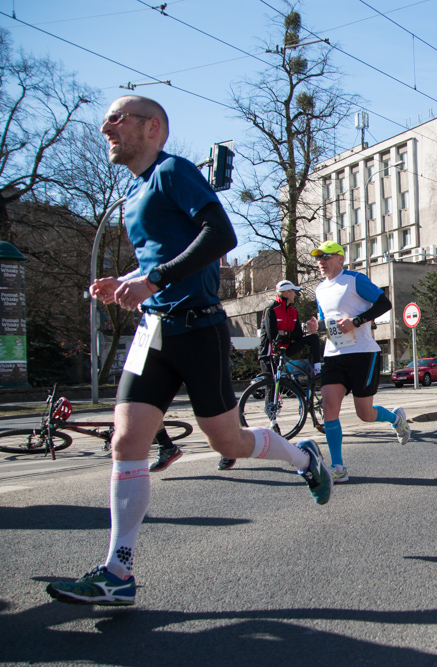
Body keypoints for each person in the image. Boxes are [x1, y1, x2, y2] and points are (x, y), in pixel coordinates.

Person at [47, 96, 333, 607]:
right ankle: (119, 571)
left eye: (117, 118)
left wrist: (153, 275)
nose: (105, 126)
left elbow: (221, 235)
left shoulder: (172, 171)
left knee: (227, 443)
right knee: (125, 442)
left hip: (198, 330)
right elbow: (163, 259)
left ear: (151, 127)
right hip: (153, 333)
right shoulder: (134, 196)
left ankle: (302, 455)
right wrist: (129, 280)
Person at [308, 240, 411, 484]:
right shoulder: (319, 290)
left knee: (365, 414)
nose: (320, 261)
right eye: (318, 257)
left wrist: (355, 321)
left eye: (326, 256)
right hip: (334, 354)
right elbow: (326, 322)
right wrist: (316, 326)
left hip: (363, 353)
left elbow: (384, 303)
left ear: (340, 258)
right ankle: (338, 466)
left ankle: (396, 418)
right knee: (329, 407)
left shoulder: (354, 280)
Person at [216, 279, 324, 471]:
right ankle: (273, 421)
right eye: (293, 292)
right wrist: (286, 335)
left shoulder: (294, 311)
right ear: (286, 292)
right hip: (269, 353)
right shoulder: (270, 310)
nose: (296, 294)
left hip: (286, 349)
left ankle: (316, 368)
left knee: (313, 338)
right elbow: (273, 334)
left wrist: (292, 333)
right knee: (270, 386)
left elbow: (297, 335)